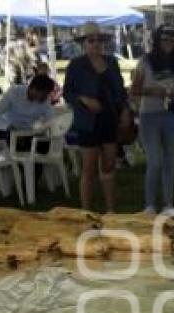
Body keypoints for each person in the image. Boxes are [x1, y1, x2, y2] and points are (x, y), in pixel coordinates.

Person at [63, 22, 131, 213]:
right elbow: (67, 93)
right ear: (83, 43)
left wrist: (125, 110)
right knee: (89, 170)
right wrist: (83, 99)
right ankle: (86, 212)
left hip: (109, 120)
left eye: (99, 40)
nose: (95, 44)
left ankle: (111, 211)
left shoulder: (111, 62)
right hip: (87, 122)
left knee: (109, 166)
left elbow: (120, 92)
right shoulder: (76, 65)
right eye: (91, 40)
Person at [131, 26, 174, 215]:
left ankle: (168, 203)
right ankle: (149, 204)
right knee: (154, 161)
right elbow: (134, 90)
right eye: (164, 39)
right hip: (149, 115)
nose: (168, 43)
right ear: (157, 41)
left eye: (171, 40)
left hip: (172, 115)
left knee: (169, 160)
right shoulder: (145, 61)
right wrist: (152, 91)